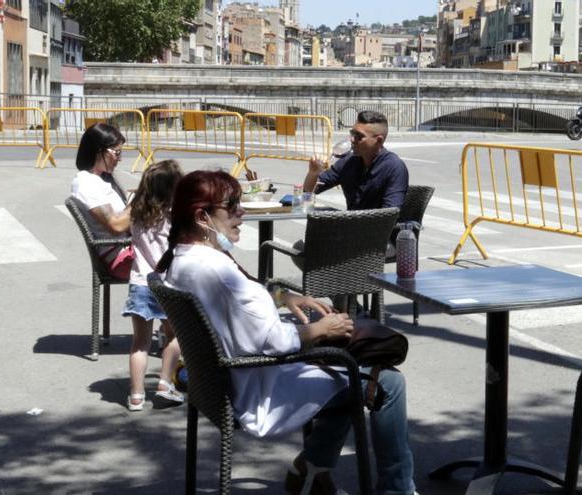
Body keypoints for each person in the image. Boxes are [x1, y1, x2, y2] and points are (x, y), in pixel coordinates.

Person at [158, 170, 416, 495]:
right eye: (232, 206)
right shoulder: (216, 270)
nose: (241, 212)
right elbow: (274, 342)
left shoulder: (185, 261)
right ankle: (396, 489)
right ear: (202, 216)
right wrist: (321, 329)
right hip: (260, 386)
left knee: (353, 376)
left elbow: (241, 304)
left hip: (225, 382)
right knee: (386, 381)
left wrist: (282, 296)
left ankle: (313, 467)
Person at [123, 160, 185, 411]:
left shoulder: (137, 212)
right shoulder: (174, 215)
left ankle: (136, 396)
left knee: (140, 343)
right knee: (176, 334)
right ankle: (164, 382)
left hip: (140, 282)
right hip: (169, 283)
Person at [303, 110, 408, 211]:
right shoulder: (349, 161)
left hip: (379, 227)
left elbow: (390, 214)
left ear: (379, 141)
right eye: (352, 133)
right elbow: (309, 192)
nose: (352, 139)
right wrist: (313, 173)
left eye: (359, 136)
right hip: (352, 225)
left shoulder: (394, 167)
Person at [70, 122, 133, 279]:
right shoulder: (86, 183)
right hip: (120, 257)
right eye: (117, 153)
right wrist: (142, 200)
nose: (120, 159)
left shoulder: (101, 179)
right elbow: (116, 225)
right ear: (100, 151)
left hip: (127, 250)